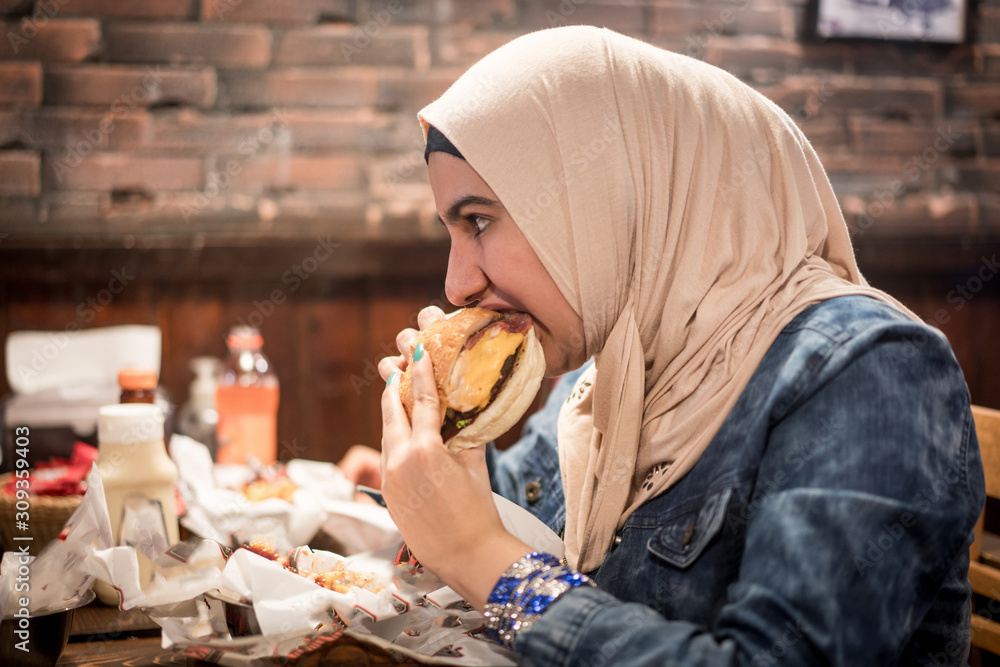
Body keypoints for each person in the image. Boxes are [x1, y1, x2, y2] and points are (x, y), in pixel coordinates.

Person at [342, 26, 985, 666]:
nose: (457, 284)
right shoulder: (616, 367)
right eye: (452, 231)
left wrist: (482, 559)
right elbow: (520, 505)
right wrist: (427, 464)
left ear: (611, 194)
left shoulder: (871, 372)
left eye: (479, 221)